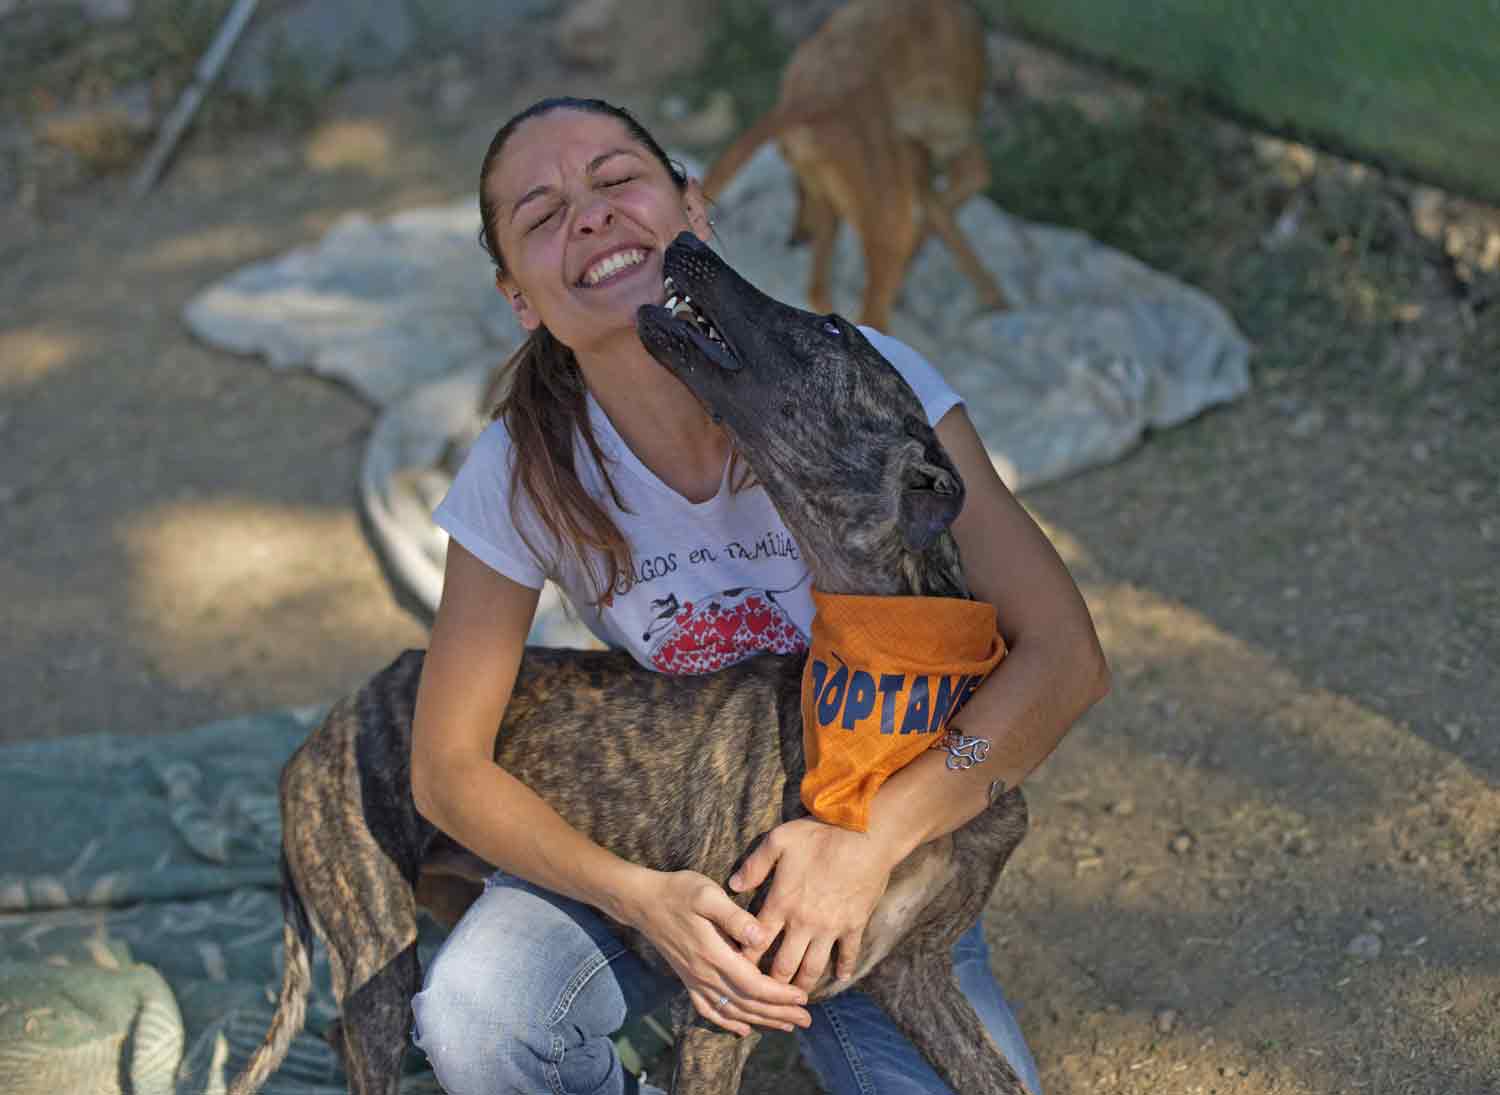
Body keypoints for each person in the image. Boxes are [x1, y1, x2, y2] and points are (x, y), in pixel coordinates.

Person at [408, 96, 1110, 1095]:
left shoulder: (863, 384)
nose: (593, 217)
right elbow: (445, 769)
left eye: (617, 181)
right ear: (519, 295)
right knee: (476, 1017)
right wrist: (642, 899)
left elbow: (1063, 658)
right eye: (543, 214)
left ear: (694, 207)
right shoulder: (522, 470)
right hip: (666, 846)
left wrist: (872, 840)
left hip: (886, 835)